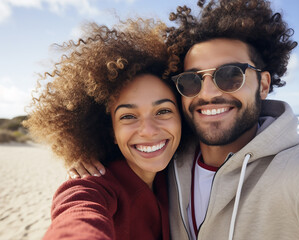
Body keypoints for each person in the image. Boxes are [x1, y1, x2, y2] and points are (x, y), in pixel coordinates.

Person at [68, 0, 299, 239]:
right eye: (191, 80)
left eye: (231, 75)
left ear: (263, 84)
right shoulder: (165, 163)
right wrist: (87, 155)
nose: (207, 93)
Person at [23, 18, 182, 240]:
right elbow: (77, 215)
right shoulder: (93, 186)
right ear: (111, 132)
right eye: (128, 116)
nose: (148, 130)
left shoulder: (181, 173)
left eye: (163, 111)